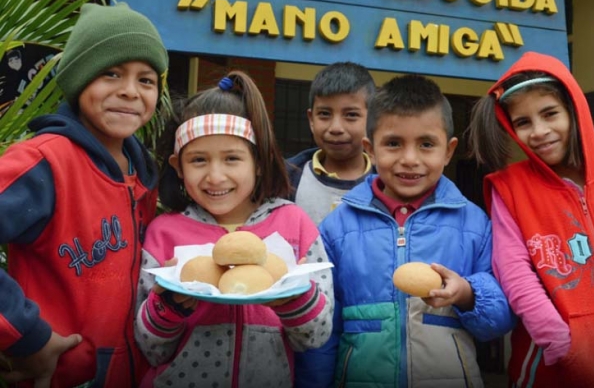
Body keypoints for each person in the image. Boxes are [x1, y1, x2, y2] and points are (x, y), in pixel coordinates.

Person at [0, 2, 168, 387]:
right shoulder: (43, 162)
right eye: (111, 73)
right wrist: (27, 337)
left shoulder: (140, 170)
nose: (129, 91)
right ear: (78, 80)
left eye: (146, 80)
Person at [312, 74, 515, 387]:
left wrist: (466, 295)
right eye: (393, 143)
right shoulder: (337, 228)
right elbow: (322, 331)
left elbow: (499, 322)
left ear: (448, 151)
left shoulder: (474, 225)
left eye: (426, 144)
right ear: (370, 148)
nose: (410, 159)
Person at [134, 71, 334, 387]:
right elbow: (151, 349)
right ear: (178, 167)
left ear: (258, 161)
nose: (215, 176)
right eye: (199, 160)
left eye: (232, 158)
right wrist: (167, 306)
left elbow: (316, 336)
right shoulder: (164, 234)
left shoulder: (293, 224)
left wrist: (293, 298)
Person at [467, 51, 594, 387]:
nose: (539, 131)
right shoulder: (508, 187)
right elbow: (515, 273)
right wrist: (562, 344)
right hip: (552, 367)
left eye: (549, 113)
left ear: (575, 110)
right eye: (523, 122)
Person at [286, 61, 376, 225]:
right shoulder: (286, 180)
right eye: (324, 114)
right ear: (311, 119)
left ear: (372, 120)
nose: (336, 128)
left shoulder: (387, 182)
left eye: (351, 115)